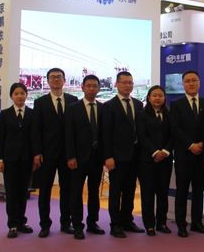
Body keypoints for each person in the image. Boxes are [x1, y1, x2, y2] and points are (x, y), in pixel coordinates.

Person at [32, 68, 78, 237]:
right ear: (48, 81)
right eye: (53, 77)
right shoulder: (40, 102)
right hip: (47, 153)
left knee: (67, 190)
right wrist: (37, 152)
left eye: (59, 77)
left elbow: (76, 129)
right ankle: (45, 225)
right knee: (45, 191)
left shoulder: (73, 100)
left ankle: (66, 223)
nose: (56, 80)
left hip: (67, 154)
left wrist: (74, 153)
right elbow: (36, 129)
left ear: (64, 80)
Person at [169, 70, 204, 237]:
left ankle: (196, 223)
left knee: (198, 191)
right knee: (181, 191)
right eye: (187, 81)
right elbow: (175, 129)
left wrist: (202, 143)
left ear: (199, 83)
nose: (191, 83)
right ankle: (181, 225)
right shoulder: (176, 104)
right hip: (183, 156)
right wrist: (190, 145)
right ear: (183, 84)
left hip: (201, 155)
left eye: (194, 80)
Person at [102, 71, 145, 238]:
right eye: (124, 82)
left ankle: (127, 220)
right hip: (116, 157)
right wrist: (108, 156)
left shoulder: (138, 104)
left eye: (130, 83)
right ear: (117, 84)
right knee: (116, 192)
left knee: (130, 190)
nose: (128, 85)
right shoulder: (108, 106)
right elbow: (106, 134)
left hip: (135, 156)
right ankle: (115, 225)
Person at [65, 75, 105, 240]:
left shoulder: (103, 108)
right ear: (82, 87)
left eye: (94, 86)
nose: (91, 89)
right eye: (88, 86)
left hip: (97, 159)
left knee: (94, 192)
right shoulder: (73, 108)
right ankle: (77, 225)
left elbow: (105, 135)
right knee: (76, 193)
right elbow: (68, 135)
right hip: (78, 159)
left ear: (99, 88)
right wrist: (70, 156)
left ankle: (92, 223)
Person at [0, 83, 34, 238]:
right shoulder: (5, 114)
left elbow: (35, 137)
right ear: (12, 96)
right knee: (11, 193)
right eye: (16, 93)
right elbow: (0, 138)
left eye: (22, 93)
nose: (19, 96)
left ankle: (21, 222)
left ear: (26, 95)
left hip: (27, 159)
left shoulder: (32, 114)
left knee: (23, 192)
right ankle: (12, 224)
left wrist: (36, 156)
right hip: (9, 159)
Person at [136, 86, 174, 236]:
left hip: (165, 160)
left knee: (163, 194)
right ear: (149, 97)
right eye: (154, 95)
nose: (157, 98)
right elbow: (142, 136)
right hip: (146, 161)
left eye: (160, 95)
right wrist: (155, 152)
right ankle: (149, 225)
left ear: (164, 98)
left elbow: (173, 135)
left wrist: (165, 151)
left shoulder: (169, 114)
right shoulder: (141, 115)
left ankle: (162, 223)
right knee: (148, 194)